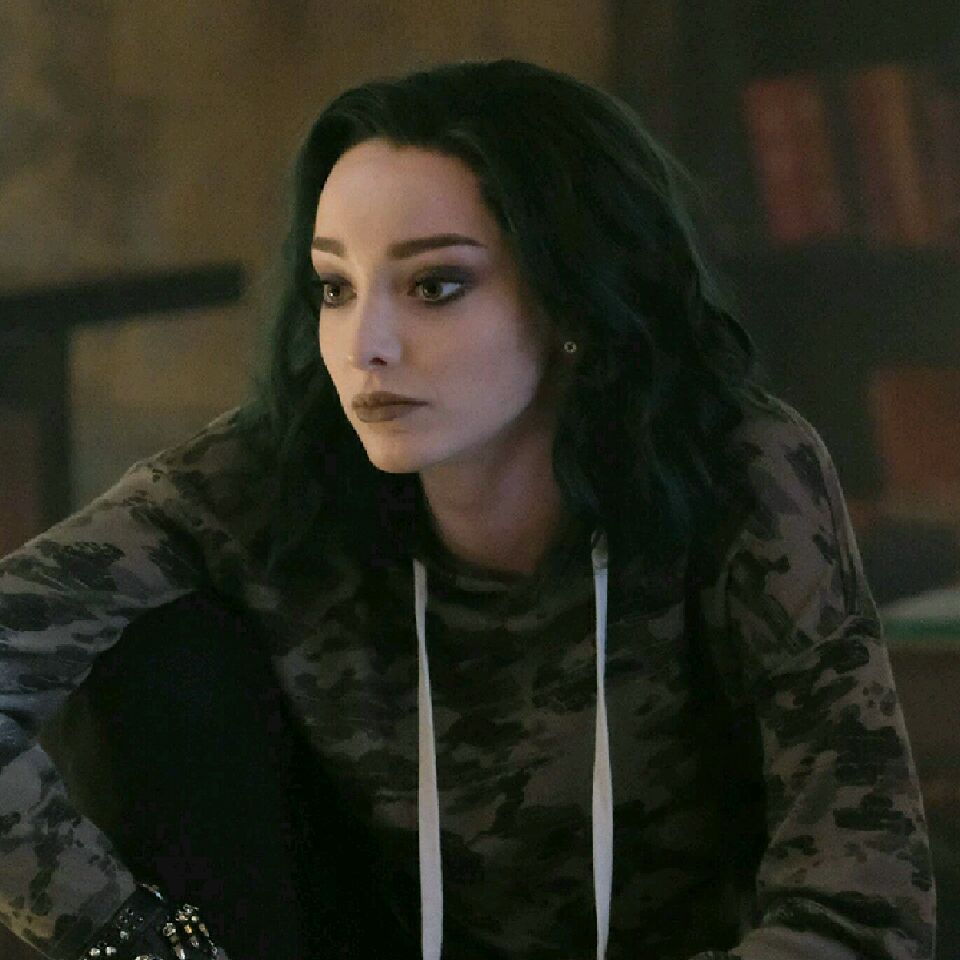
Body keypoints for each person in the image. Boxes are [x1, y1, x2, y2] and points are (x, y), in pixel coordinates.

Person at [0, 56, 935, 960]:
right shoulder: (264, 475)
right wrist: (133, 943)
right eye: (335, 288)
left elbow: (864, 909)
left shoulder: (738, 469)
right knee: (158, 653)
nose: (365, 345)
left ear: (576, 300)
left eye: (434, 286)